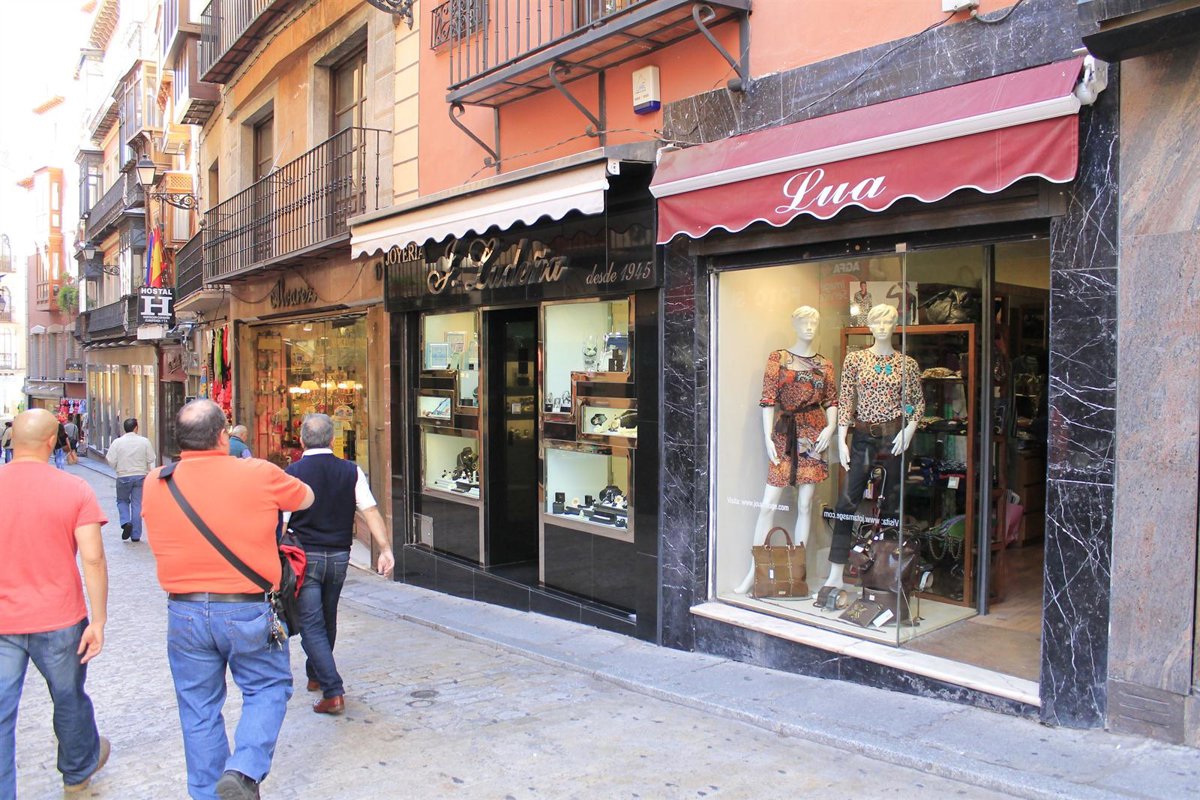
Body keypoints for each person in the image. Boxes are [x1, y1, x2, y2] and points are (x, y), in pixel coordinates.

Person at [142, 399, 314, 800]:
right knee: (267, 687)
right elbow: (306, 497)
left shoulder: (156, 482)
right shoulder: (257, 473)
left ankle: (207, 793)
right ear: (223, 436)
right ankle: (244, 769)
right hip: (247, 607)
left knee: (198, 706)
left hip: (184, 609)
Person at [0, 409, 110, 796]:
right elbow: (93, 558)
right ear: (52, 442)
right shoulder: (74, 489)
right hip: (60, 616)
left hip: (3, 620)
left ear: (13, 441)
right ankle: (77, 773)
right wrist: (99, 620)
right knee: (68, 698)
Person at [284, 413, 395, 715]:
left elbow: (281, 522)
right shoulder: (351, 470)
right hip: (339, 557)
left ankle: (333, 691)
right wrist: (384, 549)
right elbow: (370, 510)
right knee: (327, 616)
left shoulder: (292, 473)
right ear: (332, 440)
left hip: (305, 558)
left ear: (302, 440)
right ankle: (316, 673)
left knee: (311, 623)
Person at [820, 304, 924, 605]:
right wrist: (842, 439)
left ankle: (886, 572)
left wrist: (909, 429)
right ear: (869, 325)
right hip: (863, 436)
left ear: (895, 325)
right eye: (876, 321)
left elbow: (915, 402)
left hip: (894, 437)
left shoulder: (906, 364)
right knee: (846, 502)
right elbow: (846, 399)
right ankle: (835, 573)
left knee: (892, 505)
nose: (881, 326)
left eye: (887, 321)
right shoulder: (856, 359)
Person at [734, 307, 837, 596]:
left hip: (814, 434)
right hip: (784, 433)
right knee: (768, 504)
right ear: (794, 324)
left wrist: (830, 428)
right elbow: (768, 400)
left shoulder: (825, 364)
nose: (809, 326)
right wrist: (767, 437)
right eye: (804, 321)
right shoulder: (778, 358)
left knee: (806, 506)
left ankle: (797, 576)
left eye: (814, 321)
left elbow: (832, 400)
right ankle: (754, 572)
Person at [105, 418, 156, 542]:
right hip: (140, 476)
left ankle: (125, 522)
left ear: (124, 428)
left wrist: (117, 467)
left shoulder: (117, 442)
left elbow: (110, 459)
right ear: (136, 428)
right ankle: (136, 535)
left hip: (123, 476)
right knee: (137, 504)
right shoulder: (144, 441)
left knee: (122, 501)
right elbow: (151, 458)